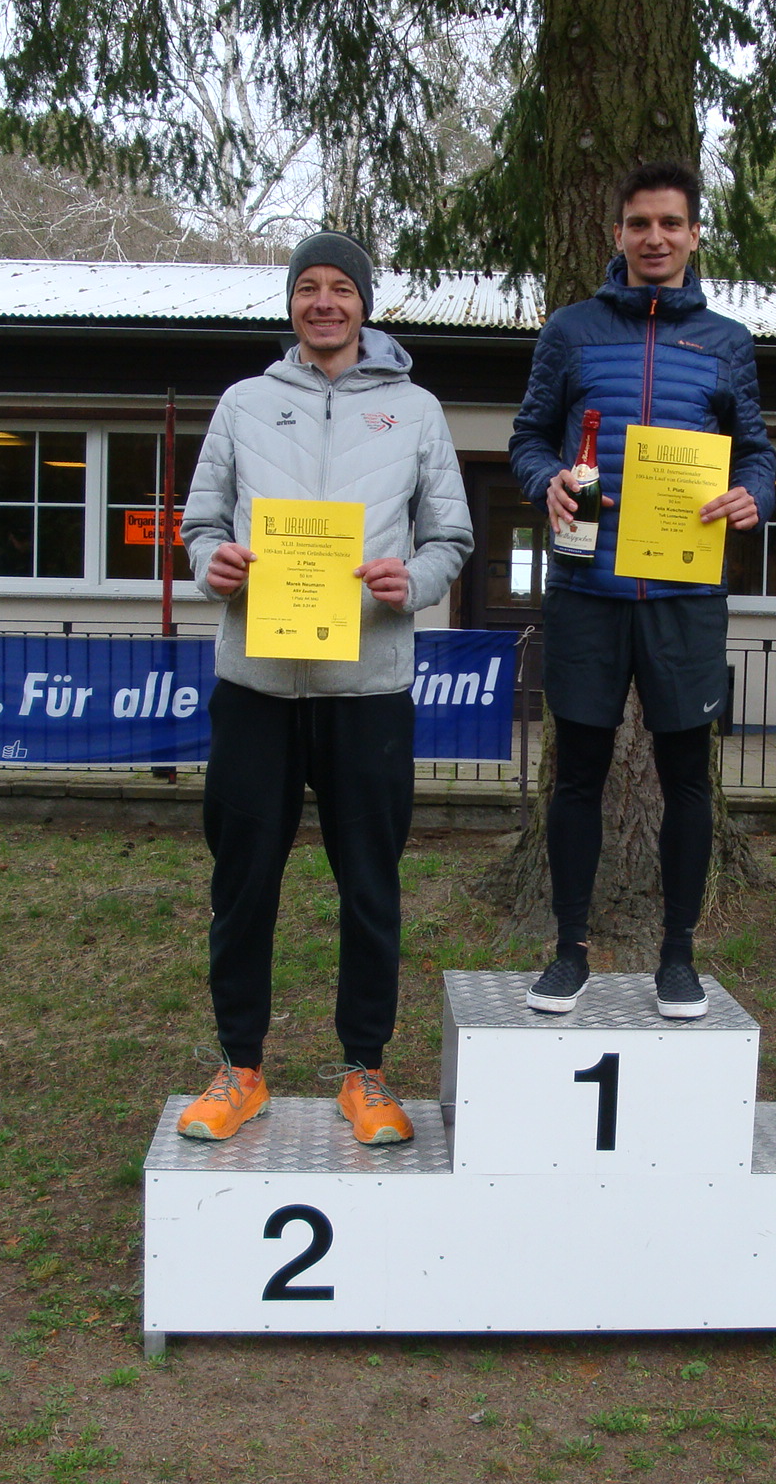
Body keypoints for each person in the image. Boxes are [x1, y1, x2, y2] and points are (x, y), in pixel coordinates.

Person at [175, 231, 472, 1145]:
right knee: (243, 886)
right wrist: (212, 564)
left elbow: (450, 539)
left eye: (342, 287)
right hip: (255, 688)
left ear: (365, 304)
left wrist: (412, 581)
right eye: (309, 287)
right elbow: (199, 524)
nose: (325, 303)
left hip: (366, 689)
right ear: (292, 304)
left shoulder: (415, 410)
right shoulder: (245, 402)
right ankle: (241, 1068)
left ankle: (365, 1072)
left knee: (370, 888)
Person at [509, 160, 775, 1021]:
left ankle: (678, 959)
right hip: (586, 588)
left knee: (686, 779)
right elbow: (527, 438)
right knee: (577, 777)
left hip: (684, 597)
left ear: (694, 235)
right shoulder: (571, 332)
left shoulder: (728, 342)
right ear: (617, 233)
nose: (654, 238)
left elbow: (758, 453)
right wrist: (547, 479)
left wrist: (754, 496)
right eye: (638, 224)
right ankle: (569, 953)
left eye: (669, 224)